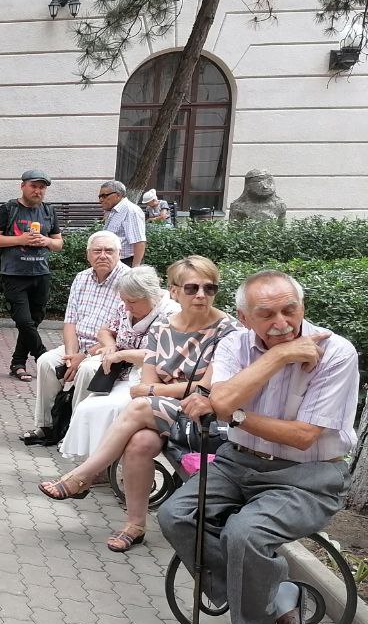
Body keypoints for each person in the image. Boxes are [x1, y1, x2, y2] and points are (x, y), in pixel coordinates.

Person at [158, 271, 359, 624]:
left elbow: (302, 436)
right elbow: (221, 400)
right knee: (175, 514)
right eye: (267, 314)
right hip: (239, 462)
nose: (282, 322)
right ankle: (276, 597)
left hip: (309, 475)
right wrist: (278, 356)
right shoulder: (235, 342)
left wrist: (233, 411)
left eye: (290, 309)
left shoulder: (336, 352)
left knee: (245, 532)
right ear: (244, 317)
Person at [38, 256, 235, 554]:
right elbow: (145, 381)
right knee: (140, 442)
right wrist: (159, 389)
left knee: (141, 407)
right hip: (166, 412)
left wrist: (157, 389)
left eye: (210, 288)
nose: (201, 295)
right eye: (192, 287)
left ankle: (84, 475)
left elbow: (206, 388)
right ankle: (135, 525)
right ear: (174, 291)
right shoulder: (163, 327)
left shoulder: (226, 331)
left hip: (204, 416)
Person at [59, 265, 179, 460]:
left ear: (150, 296)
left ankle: (108, 464)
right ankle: (96, 463)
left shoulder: (171, 314)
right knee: (86, 406)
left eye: (132, 302)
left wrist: (123, 355)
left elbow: (160, 355)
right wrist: (110, 346)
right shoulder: (125, 306)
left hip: (147, 376)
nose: (127, 306)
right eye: (124, 301)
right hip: (120, 372)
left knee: (111, 408)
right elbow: (105, 331)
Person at [21, 231, 125, 446]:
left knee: (87, 370)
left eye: (109, 251)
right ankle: (47, 426)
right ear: (88, 255)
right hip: (78, 346)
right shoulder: (82, 277)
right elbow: (70, 322)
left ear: (119, 253)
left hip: (107, 348)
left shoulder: (127, 281)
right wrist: (70, 356)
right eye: (97, 251)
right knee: (46, 362)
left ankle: (75, 434)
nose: (103, 255)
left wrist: (84, 357)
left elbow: (120, 334)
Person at [0, 168, 63, 382]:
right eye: (34, 186)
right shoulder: (8, 209)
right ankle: (44, 357)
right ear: (23, 186)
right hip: (14, 274)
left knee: (34, 320)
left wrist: (47, 242)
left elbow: (58, 243)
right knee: (23, 320)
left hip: (41, 273)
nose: (38, 191)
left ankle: (18, 363)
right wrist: (20, 240)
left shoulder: (49, 211)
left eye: (42, 187)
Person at [98, 180, 147, 266]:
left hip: (126, 262)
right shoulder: (113, 210)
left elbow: (139, 241)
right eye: (100, 196)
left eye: (104, 196)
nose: (101, 199)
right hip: (113, 261)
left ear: (118, 195)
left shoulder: (130, 211)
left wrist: (135, 269)